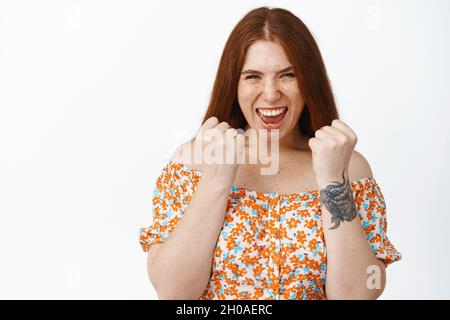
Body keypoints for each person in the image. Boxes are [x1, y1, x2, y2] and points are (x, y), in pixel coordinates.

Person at [139, 6, 401, 300]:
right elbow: (173, 293)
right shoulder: (193, 162)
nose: (271, 93)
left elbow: (356, 295)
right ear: (234, 85)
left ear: (309, 82)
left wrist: (332, 181)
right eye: (253, 76)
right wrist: (216, 179)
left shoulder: (348, 168)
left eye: (288, 75)